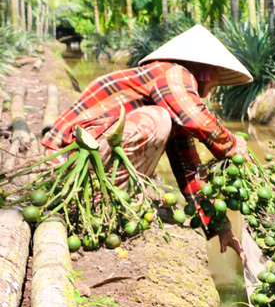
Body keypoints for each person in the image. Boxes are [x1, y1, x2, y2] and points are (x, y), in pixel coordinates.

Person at [42, 25, 252, 263]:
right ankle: (100, 203)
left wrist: (221, 227)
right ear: (206, 70)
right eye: (216, 75)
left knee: (164, 119)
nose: (215, 83)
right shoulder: (174, 73)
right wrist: (231, 143)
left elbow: (189, 169)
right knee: (157, 119)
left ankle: (109, 199)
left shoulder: (173, 101)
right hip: (69, 159)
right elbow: (195, 117)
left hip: (88, 157)